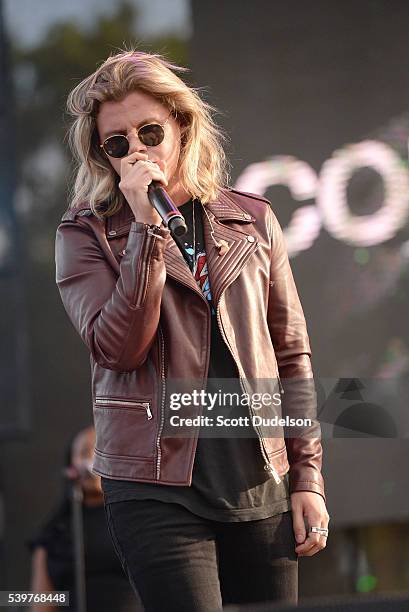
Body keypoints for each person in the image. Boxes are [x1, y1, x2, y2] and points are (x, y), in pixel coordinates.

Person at [55, 49, 330, 612]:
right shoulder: (85, 236)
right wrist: (145, 230)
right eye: (118, 142)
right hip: (155, 488)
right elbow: (119, 347)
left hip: (259, 477)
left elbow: (291, 355)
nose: (138, 150)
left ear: (180, 127)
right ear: (102, 155)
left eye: (150, 131)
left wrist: (307, 478)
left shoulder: (251, 219)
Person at [27, 426, 142, 612]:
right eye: (83, 452)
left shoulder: (135, 521)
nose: (91, 460)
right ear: (72, 466)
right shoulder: (56, 532)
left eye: (100, 451)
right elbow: (42, 603)